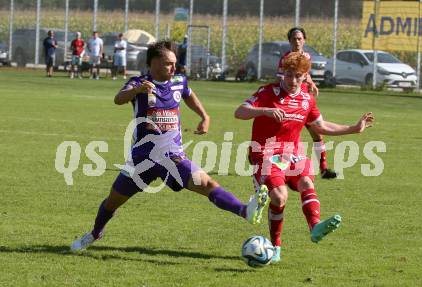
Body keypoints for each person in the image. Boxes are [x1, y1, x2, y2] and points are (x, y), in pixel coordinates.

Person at [70, 40, 270, 252]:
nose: (174, 67)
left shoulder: (178, 81)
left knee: (208, 184)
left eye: (175, 63)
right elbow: (118, 99)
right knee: (112, 202)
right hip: (142, 160)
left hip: (172, 157)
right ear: (154, 63)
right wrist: (136, 90)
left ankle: (245, 211)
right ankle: (94, 233)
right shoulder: (139, 82)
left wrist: (204, 116)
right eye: (168, 63)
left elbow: (189, 95)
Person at [235, 51, 374, 263]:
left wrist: (354, 128)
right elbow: (240, 111)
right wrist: (264, 111)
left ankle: (315, 226)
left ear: (305, 76)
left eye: (298, 76)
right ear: (283, 73)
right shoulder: (267, 92)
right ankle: (276, 247)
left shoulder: (307, 99)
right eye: (289, 75)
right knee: (280, 197)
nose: (292, 81)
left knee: (307, 181)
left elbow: (321, 126)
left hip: (290, 155)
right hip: (264, 153)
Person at [277, 27, 337, 179]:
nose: (297, 41)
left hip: (305, 102)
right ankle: (258, 156)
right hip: (290, 103)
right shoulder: (286, 59)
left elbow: (305, 75)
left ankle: (323, 169)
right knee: (281, 137)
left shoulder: (307, 57)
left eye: (299, 38)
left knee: (317, 132)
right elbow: (280, 79)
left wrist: (311, 83)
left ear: (304, 40)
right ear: (289, 41)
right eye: (294, 39)